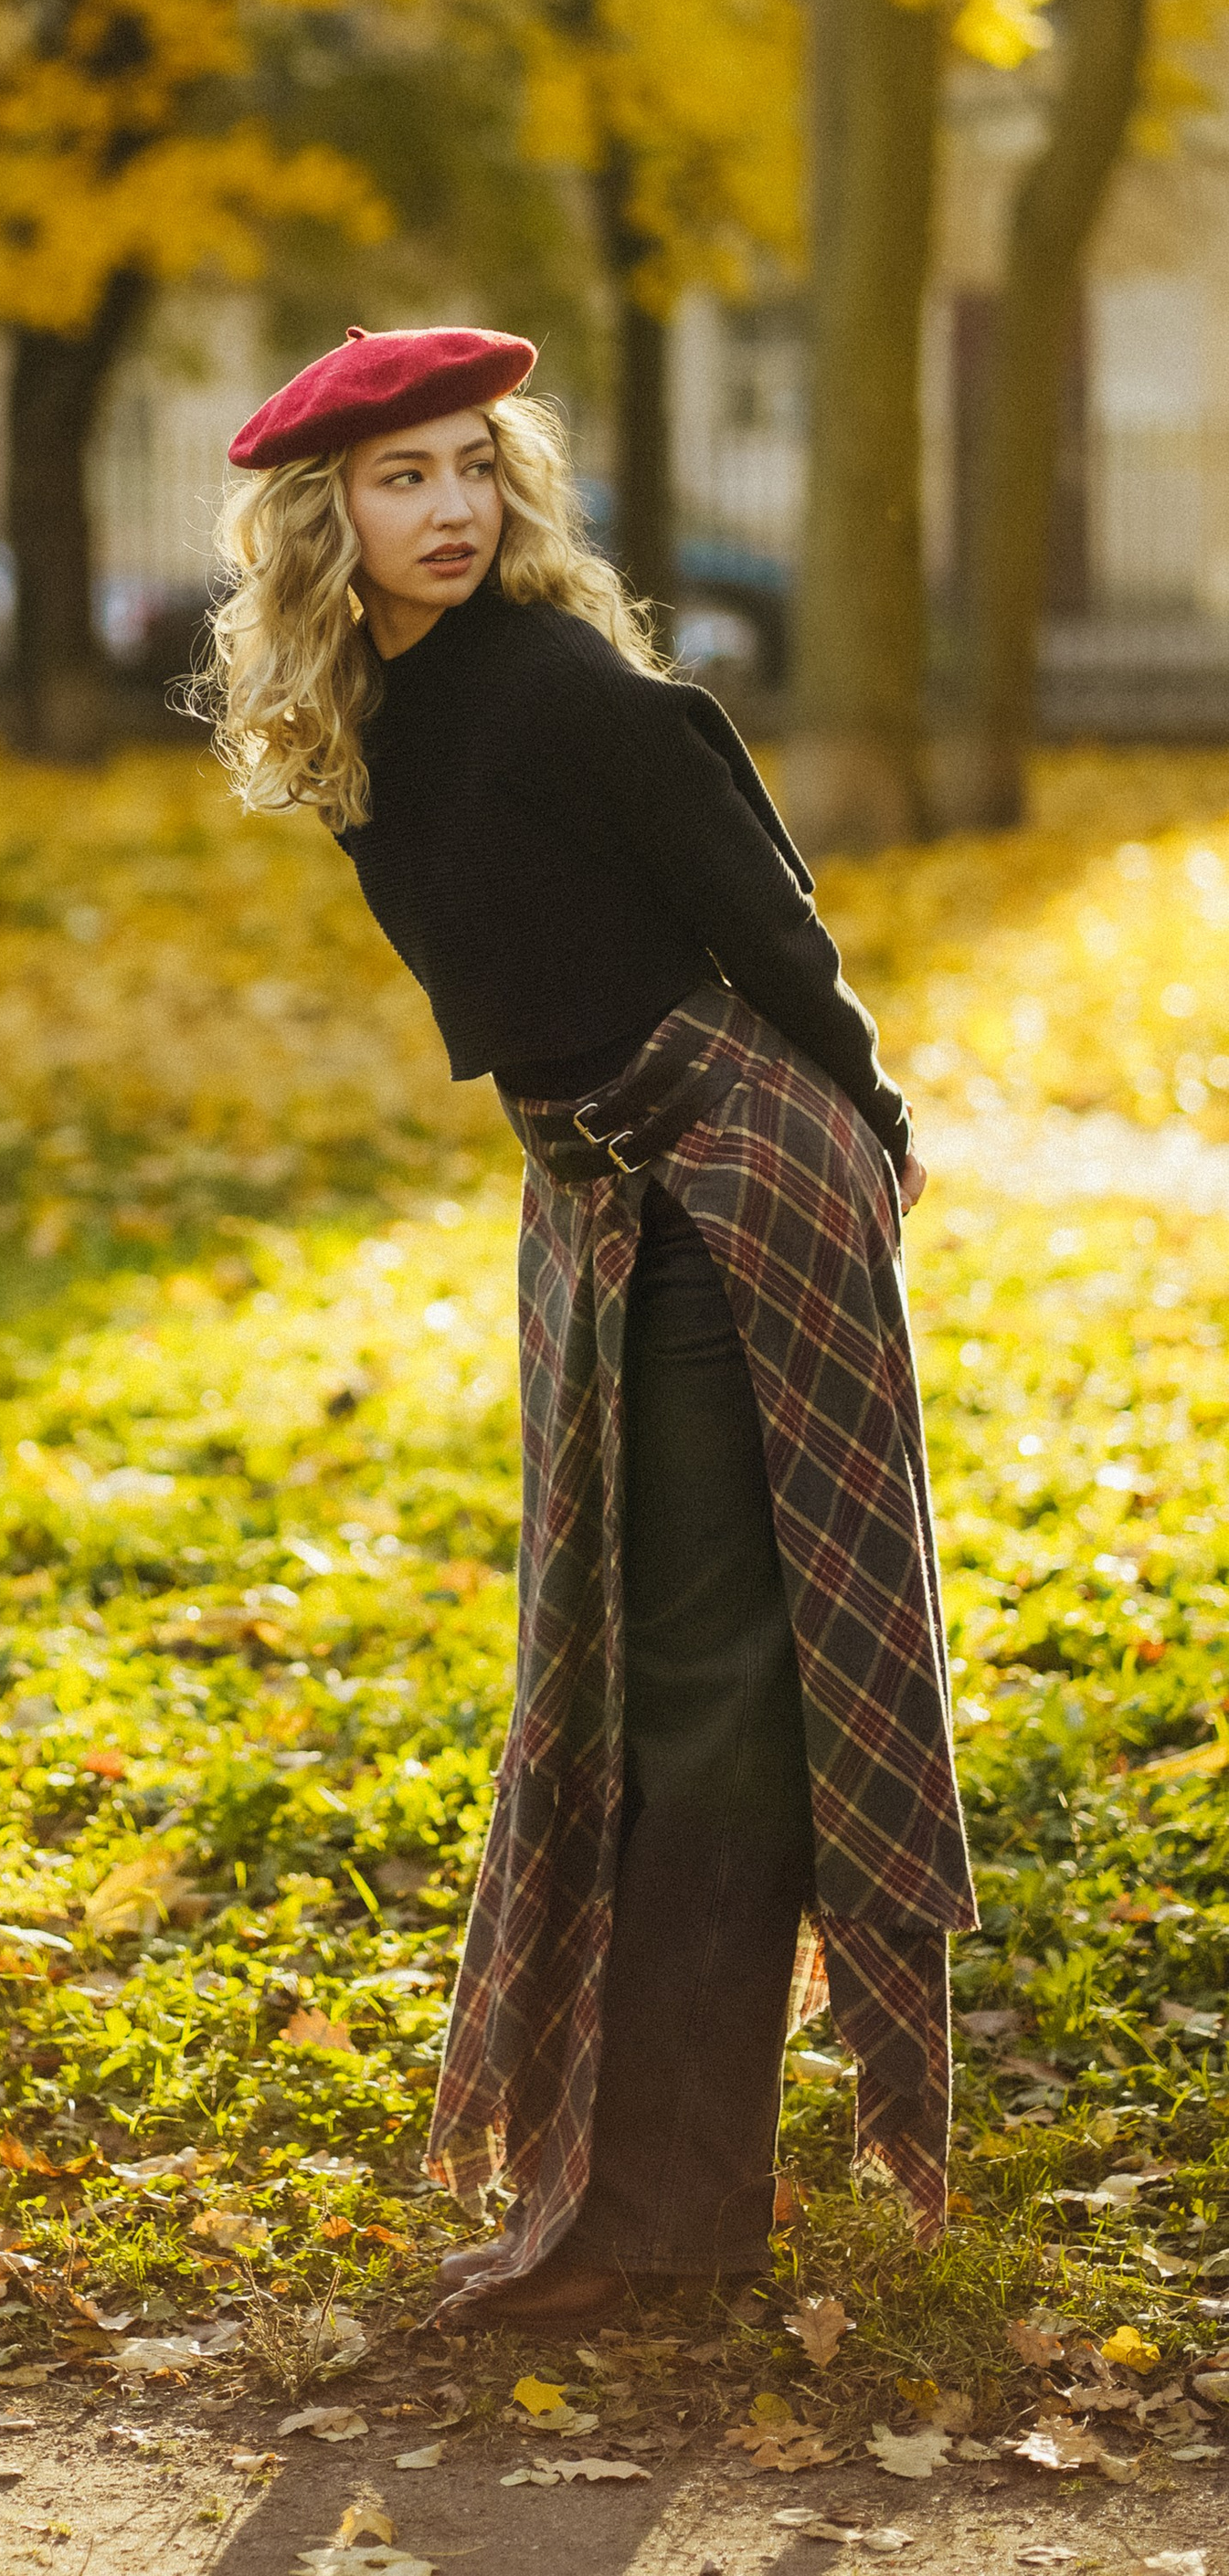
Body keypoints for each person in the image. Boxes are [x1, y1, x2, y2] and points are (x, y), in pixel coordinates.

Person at [195, 323, 974, 2329]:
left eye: (470, 465)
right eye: (399, 480)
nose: (447, 507)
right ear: (319, 521)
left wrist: (868, 1141)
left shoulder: (568, 689)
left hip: (730, 1183)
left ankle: (668, 2221)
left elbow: (774, 931)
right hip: (596, 1205)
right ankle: (634, 2194)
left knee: (706, 1687)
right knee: (612, 1675)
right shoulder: (375, 713)